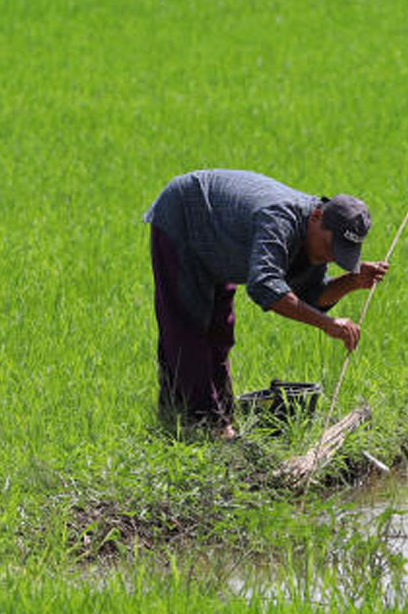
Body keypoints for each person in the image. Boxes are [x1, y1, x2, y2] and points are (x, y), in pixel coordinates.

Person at [143, 169, 388, 437]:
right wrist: (327, 324)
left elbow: (312, 295)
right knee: (187, 327)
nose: (330, 257)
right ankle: (210, 427)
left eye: (340, 254)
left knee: (220, 331)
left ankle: (209, 420)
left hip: (222, 246)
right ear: (317, 217)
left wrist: (352, 281)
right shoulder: (279, 219)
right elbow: (264, 287)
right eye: (331, 248)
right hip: (184, 216)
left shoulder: (314, 238)